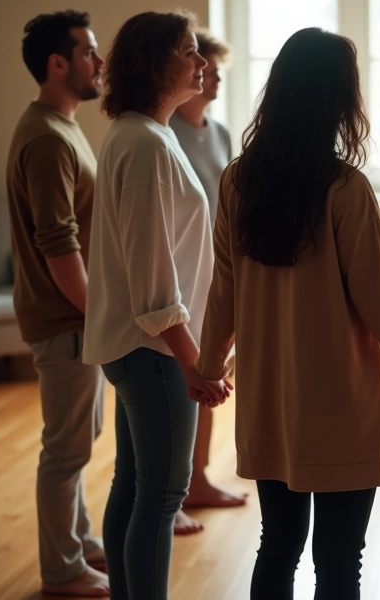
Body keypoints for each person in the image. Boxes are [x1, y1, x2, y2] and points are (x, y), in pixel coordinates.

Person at [193, 27, 380, 600]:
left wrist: (206, 365)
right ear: (338, 100)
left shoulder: (238, 179)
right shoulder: (346, 189)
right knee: (338, 560)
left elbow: (223, 287)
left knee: (277, 544)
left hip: (269, 398)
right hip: (340, 404)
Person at [83, 10, 229, 600]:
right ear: (156, 61)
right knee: (164, 494)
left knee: (134, 483)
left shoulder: (146, 133)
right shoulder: (143, 142)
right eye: (190, 51)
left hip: (139, 346)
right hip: (153, 349)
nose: (201, 64)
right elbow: (152, 274)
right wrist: (192, 359)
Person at [6, 9, 109, 598]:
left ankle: (81, 543)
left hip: (76, 318)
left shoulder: (62, 126)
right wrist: (100, 317)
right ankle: (62, 570)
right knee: (64, 451)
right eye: (90, 52)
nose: (99, 63)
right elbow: (58, 242)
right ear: (58, 63)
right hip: (66, 318)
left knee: (77, 443)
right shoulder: (46, 137)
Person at [170, 29, 244, 535]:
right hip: (178, 272)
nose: (213, 78)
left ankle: (197, 479)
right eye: (207, 69)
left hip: (218, 269)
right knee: (179, 383)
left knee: (211, 374)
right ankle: (169, 491)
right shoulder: (165, 132)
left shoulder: (218, 133)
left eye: (218, 71)